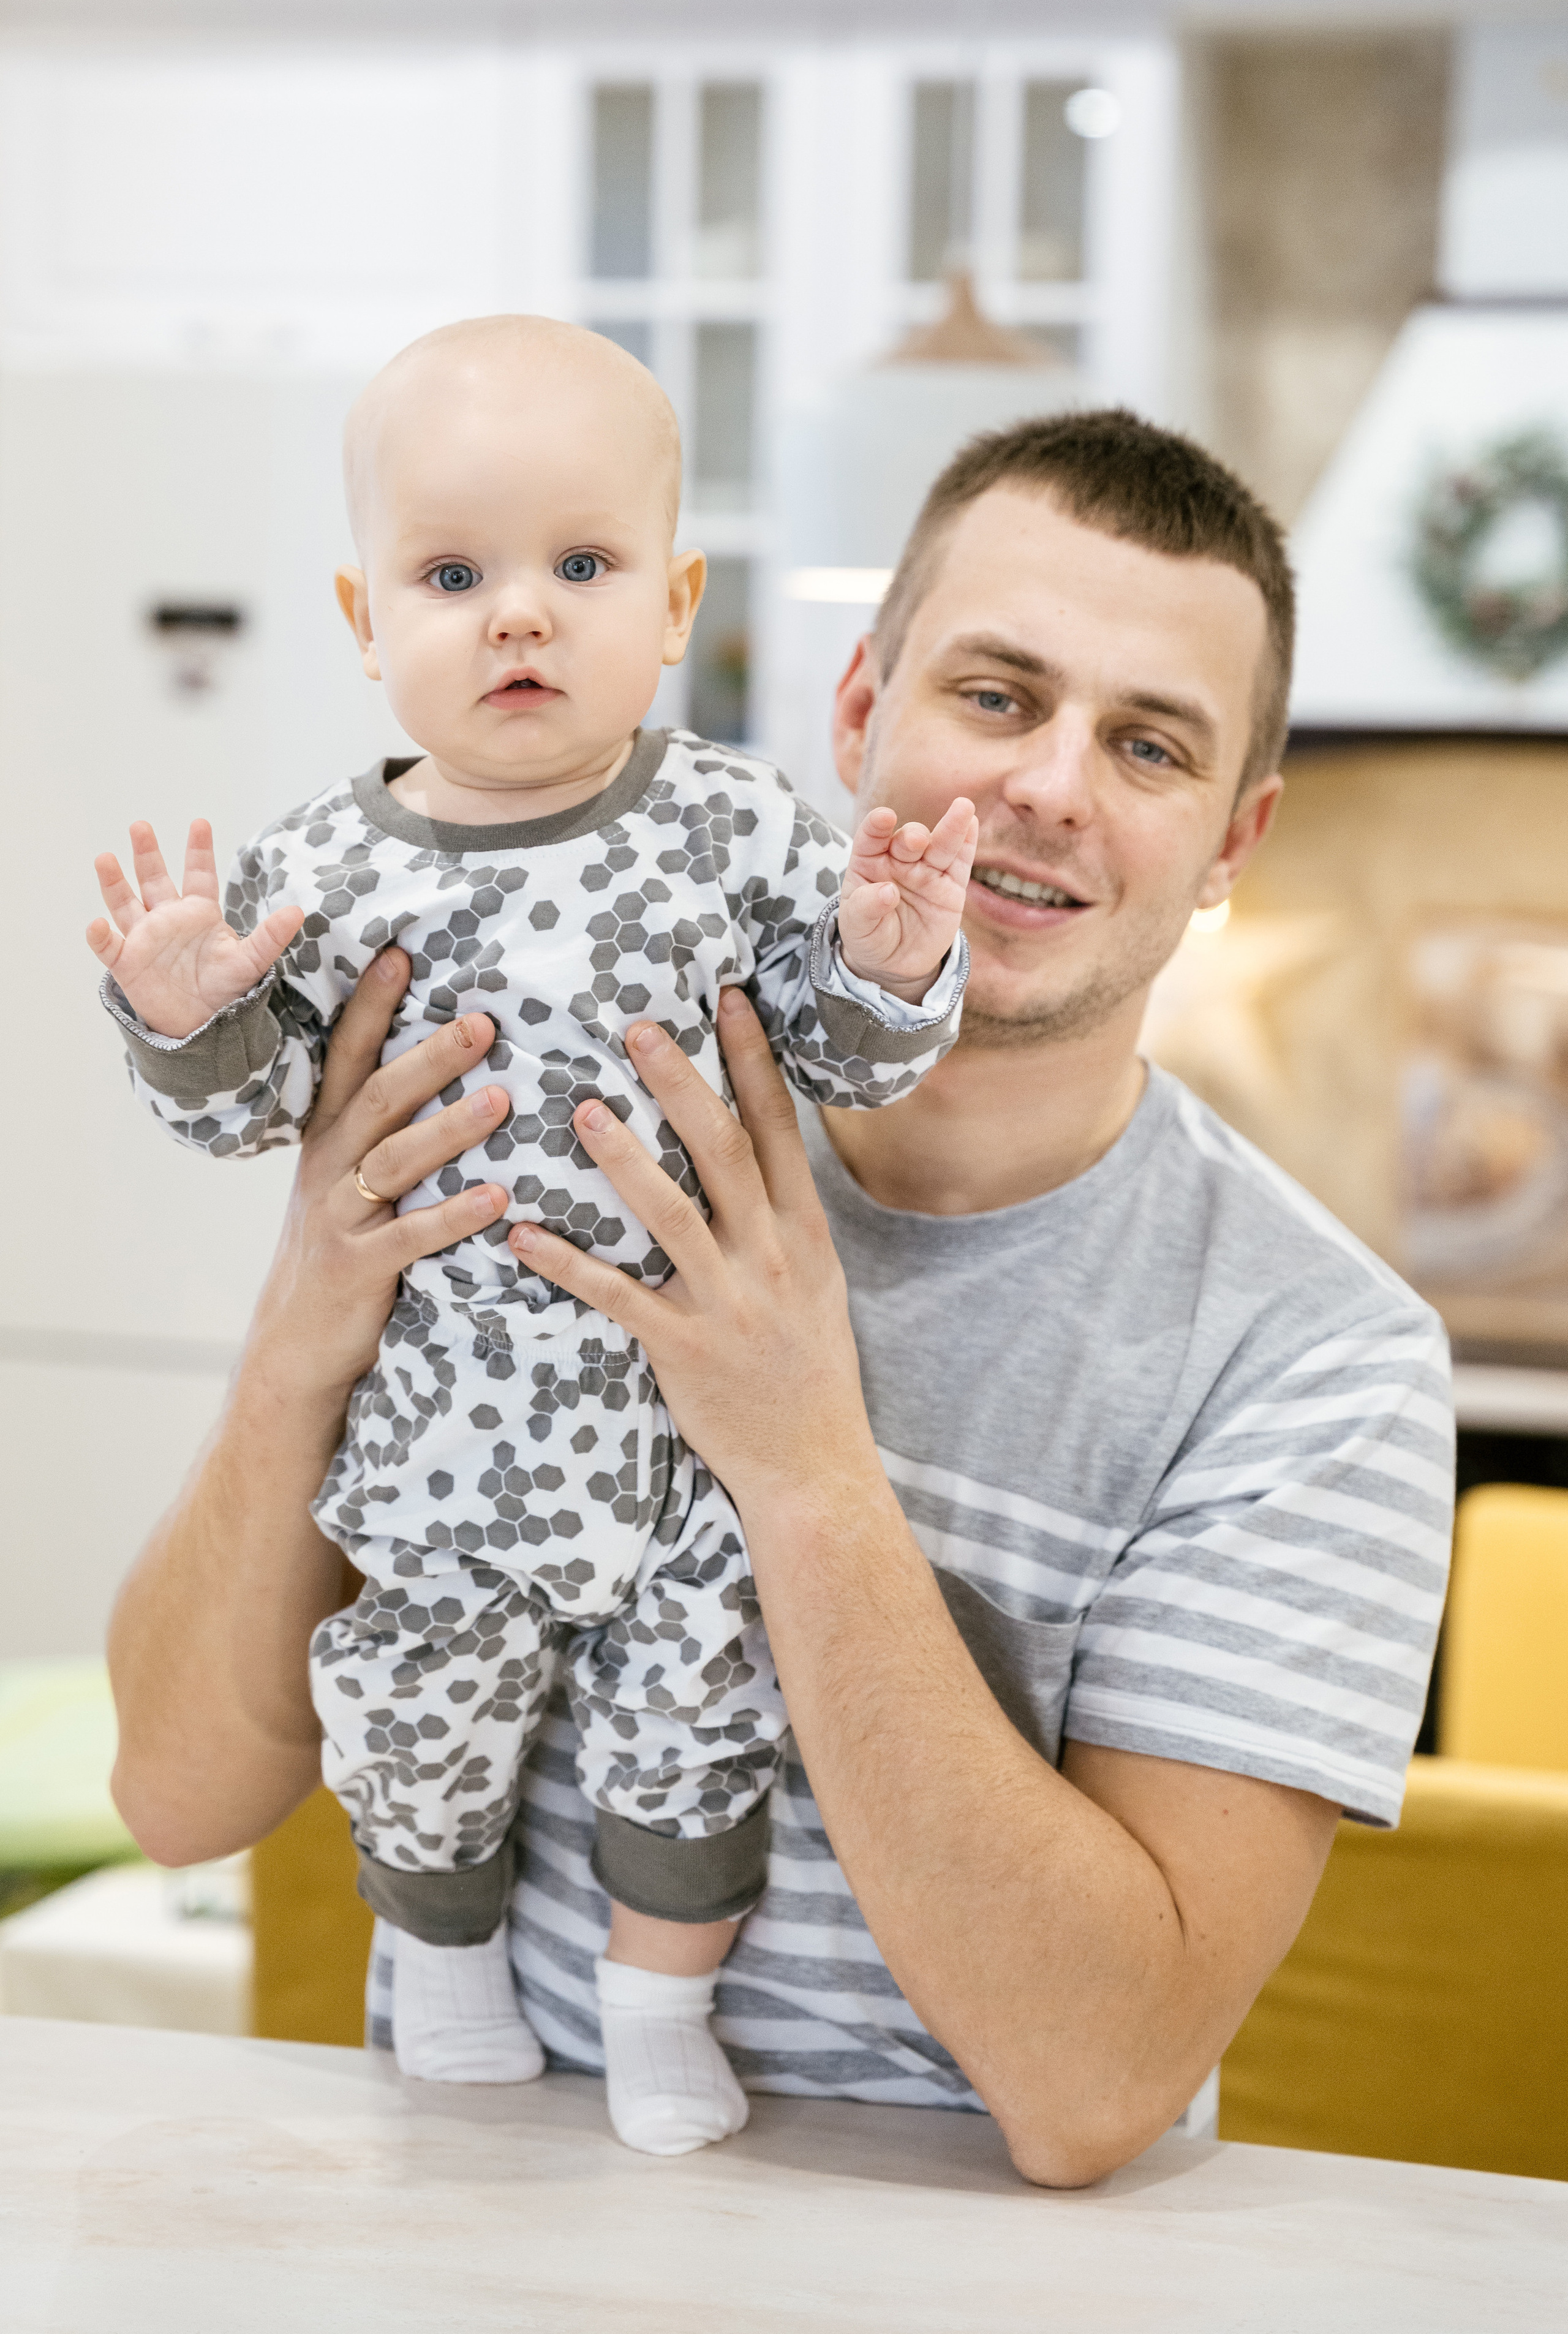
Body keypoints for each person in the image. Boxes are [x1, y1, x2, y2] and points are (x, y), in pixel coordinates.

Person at [107, 408, 1453, 2190]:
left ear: (1232, 840)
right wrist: (300, 1341)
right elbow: (175, 1798)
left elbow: (1095, 2082)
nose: (1053, 786)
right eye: (996, 694)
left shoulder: (1322, 1360)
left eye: (1149, 744)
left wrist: (807, 1463)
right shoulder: (554, 1126)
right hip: (463, 2237)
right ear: (858, 709)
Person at [85, 315, 975, 2154]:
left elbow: (840, 1052)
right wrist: (188, 1018)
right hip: (436, 1442)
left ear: (676, 602)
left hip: (687, 1435)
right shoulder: (321, 870)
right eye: (451, 576)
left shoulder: (734, 825)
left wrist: (890, 961)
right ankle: (449, 1969)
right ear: (363, 619)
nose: (518, 617)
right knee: (414, 1713)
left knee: (701, 1709)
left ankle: (660, 2006)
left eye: (581, 566)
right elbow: (246, 1113)